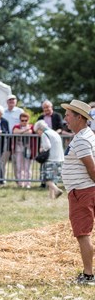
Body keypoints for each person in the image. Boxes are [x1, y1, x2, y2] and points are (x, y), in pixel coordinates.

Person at [59, 100, 95, 285]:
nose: (65, 119)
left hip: (83, 191)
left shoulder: (81, 140)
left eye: (68, 115)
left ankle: (88, 275)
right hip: (83, 190)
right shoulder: (86, 135)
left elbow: (92, 168)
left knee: (83, 233)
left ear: (79, 117)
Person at [33, 120, 64, 199]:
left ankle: (57, 190)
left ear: (40, 129)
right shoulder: (54, 132)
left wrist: (41, 149)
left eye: (37, 132)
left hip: (51, 158)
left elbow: (47, 146)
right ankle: (51, 196)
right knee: (52, 179)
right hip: (60, 158)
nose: (38, 134)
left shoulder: (45, 134)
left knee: (46, 178)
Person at [11, 112, 34, 188]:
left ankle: (28, 183)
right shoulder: (16, 126)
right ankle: (21, 183)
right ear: (20, 120)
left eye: (25, 120)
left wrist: (21, 132)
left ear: (28, 120)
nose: (24, 122)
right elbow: (15, 131)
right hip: (18, 149)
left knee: (27, 167)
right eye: (22, 120)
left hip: (27, 149)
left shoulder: (31, 126)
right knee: (19, 166)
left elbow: (30, 132)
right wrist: (24, 131)